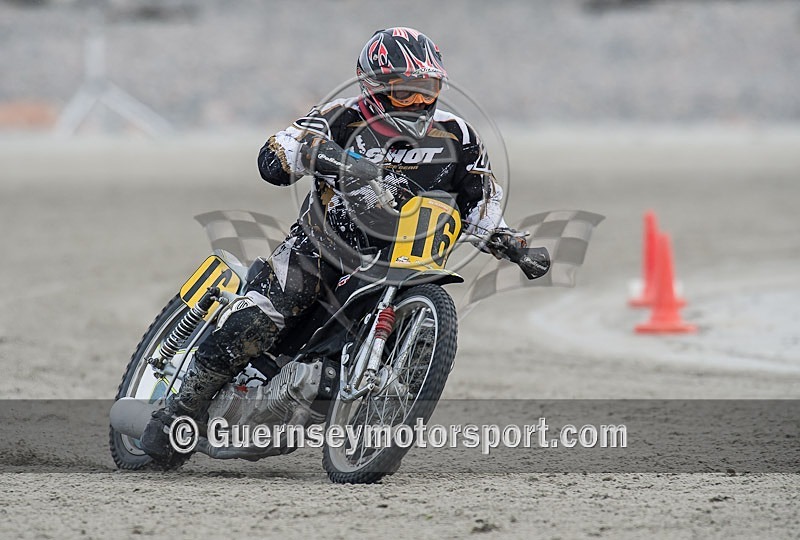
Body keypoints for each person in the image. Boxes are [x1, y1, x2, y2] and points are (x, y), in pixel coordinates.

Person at [140, 27, 542, 461]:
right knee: (268, 312)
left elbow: (479, 202)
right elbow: (275, 157)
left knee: (409, 332)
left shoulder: (458, 135)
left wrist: (511, 242)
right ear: (374, 88)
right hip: (321, 248)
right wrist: (339, 161)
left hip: (401, 256)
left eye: (428, 89)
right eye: (405, 92)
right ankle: (179, 411)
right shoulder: (340, 116)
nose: (419, 102)